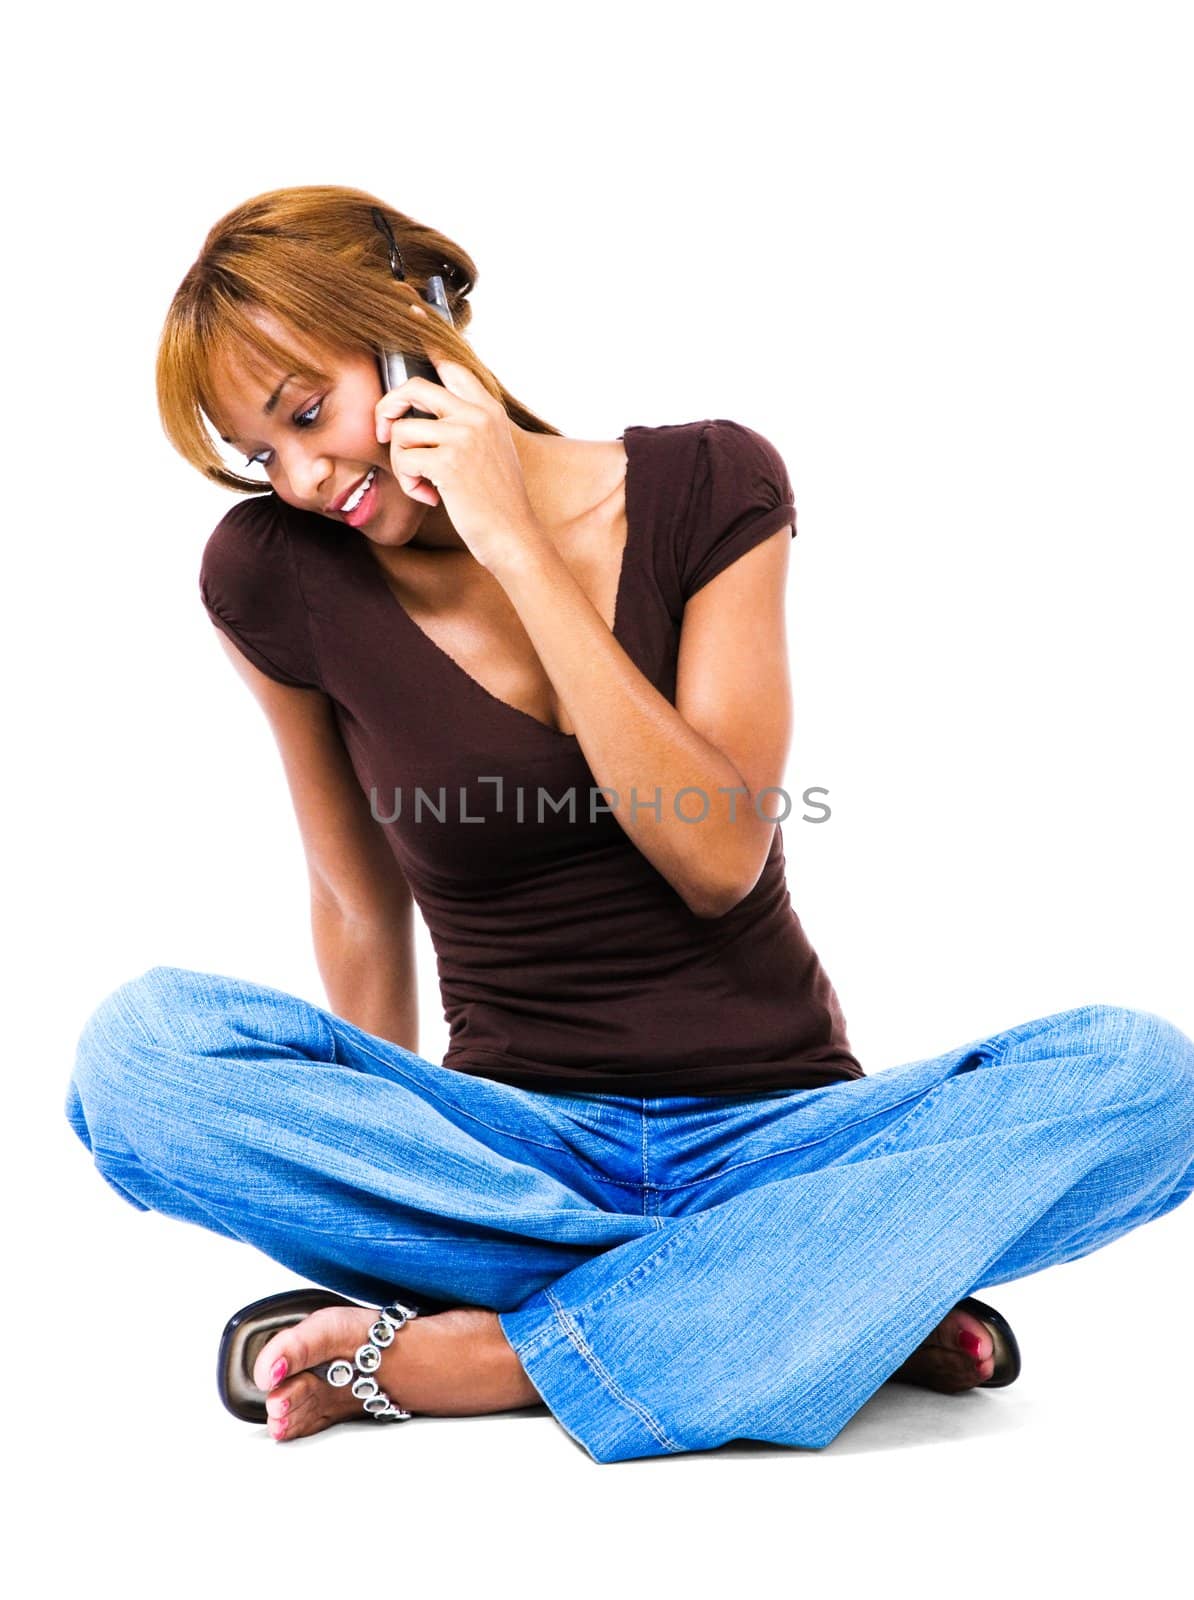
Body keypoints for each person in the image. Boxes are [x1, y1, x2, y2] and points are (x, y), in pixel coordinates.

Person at [65, 184, 1194, 1464]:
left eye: (310, 412)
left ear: (412, 329)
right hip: (513, 1154)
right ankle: (823, 1293)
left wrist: (512, 542)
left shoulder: (709, 483)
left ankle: (503, 1350)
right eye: (260, 453)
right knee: (138, 1056)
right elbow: (351, 900)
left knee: (1148, 1078)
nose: (305, 476)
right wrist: (383, 1183)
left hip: (781, 1134)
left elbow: (715, 857)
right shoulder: (271, 575)